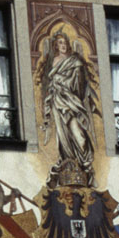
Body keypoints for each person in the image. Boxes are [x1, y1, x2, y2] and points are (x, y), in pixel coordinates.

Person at [39, 30, 97, 183]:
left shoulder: (75, 61)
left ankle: (85, 162)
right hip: (58, 101)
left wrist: (64, 80)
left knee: (79, 134)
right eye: (60, 43)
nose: (63, 46)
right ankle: (68, 161)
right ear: (55, 46)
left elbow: (79, 83)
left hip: (73, 101)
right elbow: (48, 82)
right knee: (62, 133)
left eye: (65, 43)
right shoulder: (53, 61)